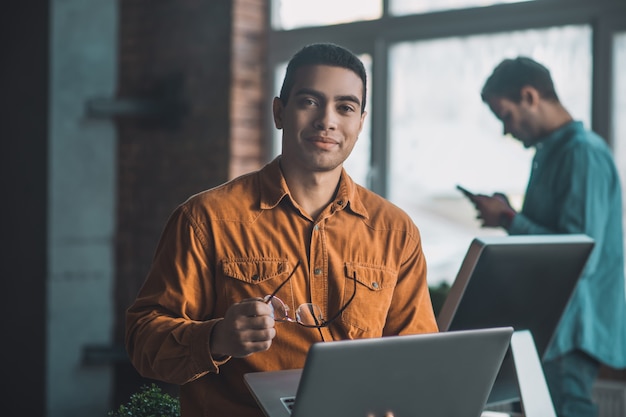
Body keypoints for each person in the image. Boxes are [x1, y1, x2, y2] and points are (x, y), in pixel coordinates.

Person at [125, 42, 438, 417]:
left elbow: (417, 358)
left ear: (360, 122)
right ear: (279, 112)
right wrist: (216, 337)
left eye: (345, 107)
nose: (327, 120)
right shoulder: (205, 219)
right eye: (309, 101)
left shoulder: (396, 231)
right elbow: (143, 341)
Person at [467, 56, 626, 417]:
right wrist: (511, 216)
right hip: (554, 326)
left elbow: (578, 255)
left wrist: (508, 218)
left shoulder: (581, 153)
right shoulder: (553, 155)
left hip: (570, 329)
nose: (507, 131)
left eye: (506, 116)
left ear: (529, 96)